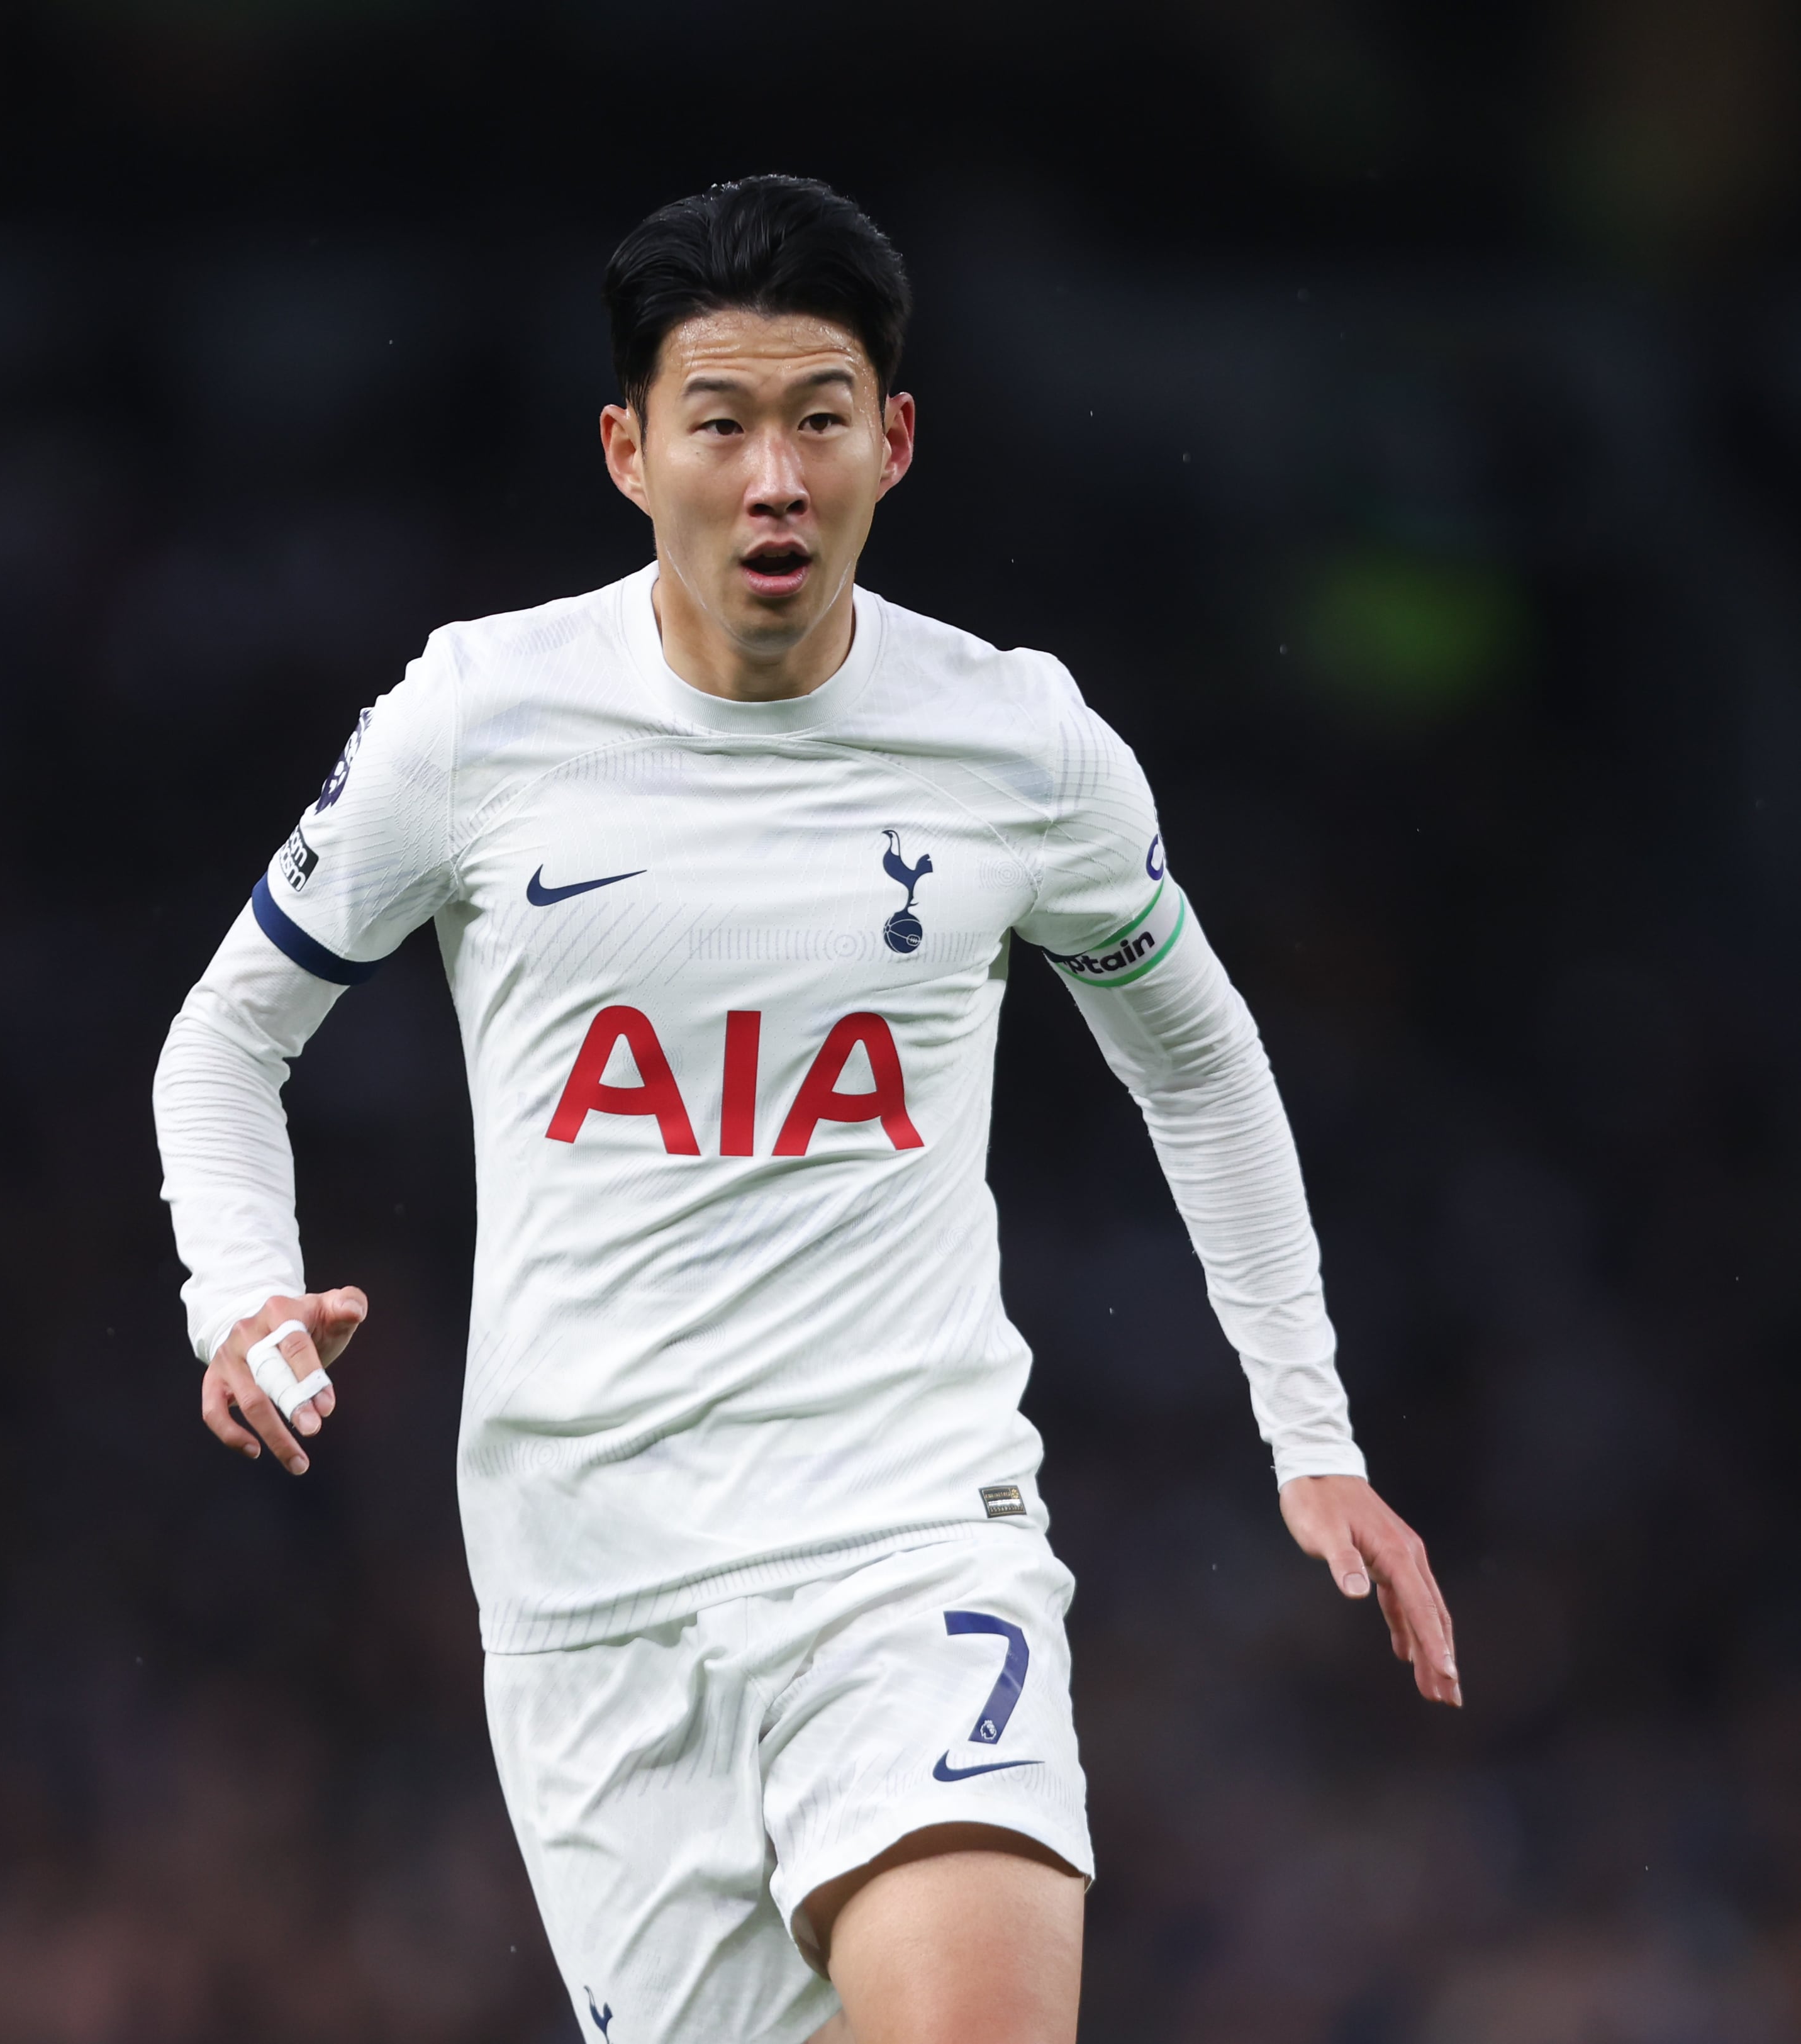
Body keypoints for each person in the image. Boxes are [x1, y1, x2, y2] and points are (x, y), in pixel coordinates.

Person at [152, 174, 1459, 2044]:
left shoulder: (1017, 742)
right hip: (589, 1595)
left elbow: (1194, 1048)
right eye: (721, 424)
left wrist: (1308, 1424)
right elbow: (223, 1037)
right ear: (627, 450)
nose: (774, 477)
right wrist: (239, 1294)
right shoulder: (476, 720)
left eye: (819, 420)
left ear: (892, 441)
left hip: (904, 1542)